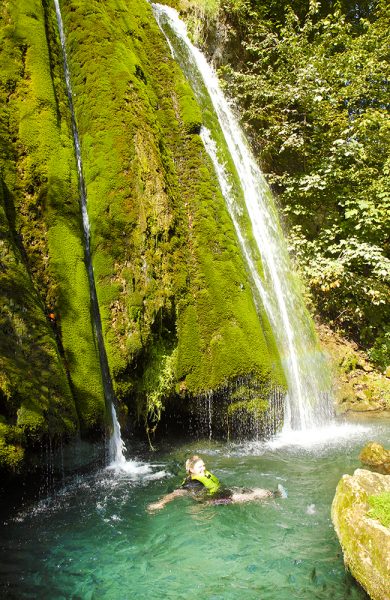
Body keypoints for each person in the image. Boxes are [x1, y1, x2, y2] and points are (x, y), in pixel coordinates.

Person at [147, 455, 285, 511]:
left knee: (248, 490)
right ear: (191, 470)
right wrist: (161, 503)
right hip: (214, 500)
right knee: (246, 496)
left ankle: (275, 494)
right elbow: (176, 493)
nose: (203, 469)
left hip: (221, 492)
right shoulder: (192, 483)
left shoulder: (203, 475)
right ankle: (276, 495)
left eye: (203, 466)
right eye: (200, 467)